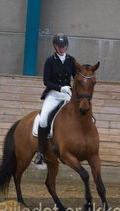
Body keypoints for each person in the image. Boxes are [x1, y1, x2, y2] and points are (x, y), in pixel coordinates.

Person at [34, 33, 77, 165]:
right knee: (43, 120)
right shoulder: (50, 61)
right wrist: (60, 88)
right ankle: (40, 152)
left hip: (68, 94)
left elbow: (77, 78)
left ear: (66, 47)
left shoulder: (71, 60)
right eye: (59, 46)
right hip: (53, 94)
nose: (61, 48)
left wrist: (74, 91)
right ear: (54, 46)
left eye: (63, 46)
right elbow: (46, 81)